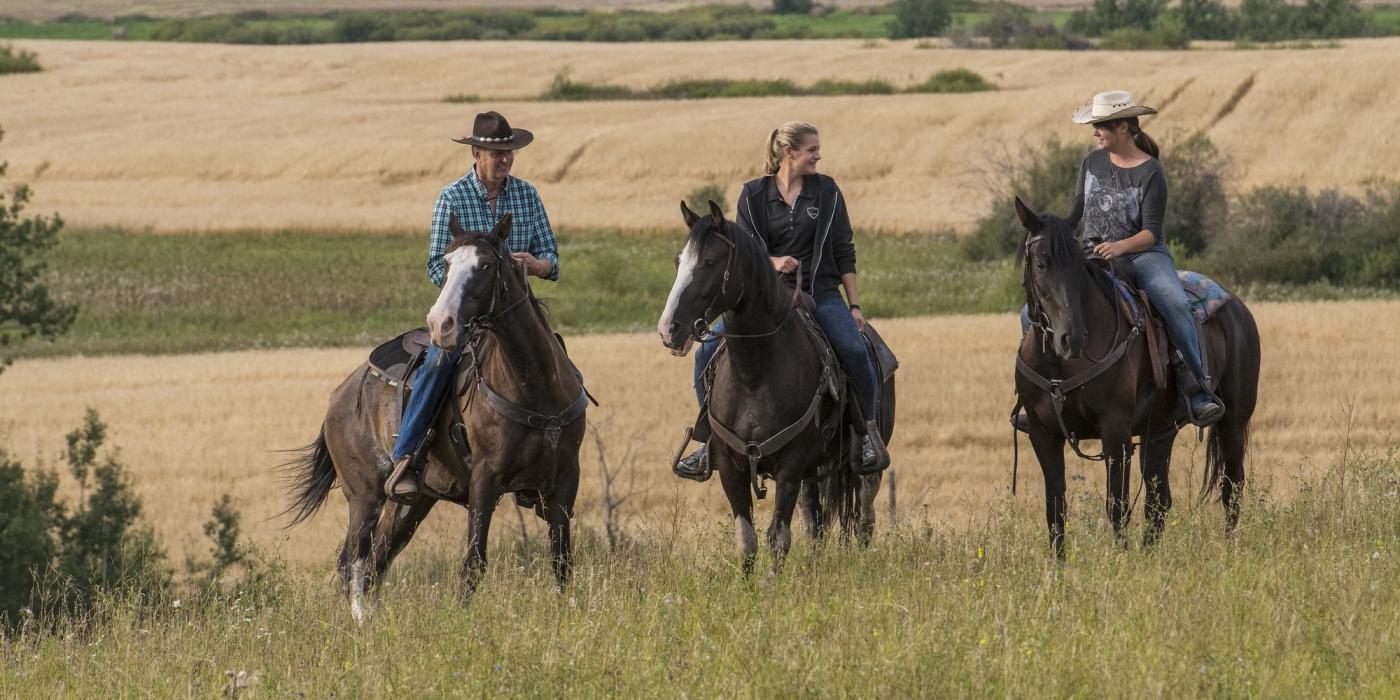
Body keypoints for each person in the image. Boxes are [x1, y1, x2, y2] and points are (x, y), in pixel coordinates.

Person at [673, 121, 890, 481]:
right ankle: (709, 441)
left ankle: (867, 433)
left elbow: (844, 250)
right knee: (704, 354)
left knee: (855, 350)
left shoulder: (827, 192)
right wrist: (773, 261)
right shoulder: (752, 195)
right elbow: (744, 252)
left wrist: (854, 306)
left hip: (820, 293)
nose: (818, 156)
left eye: (818, 149)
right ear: (789, 153)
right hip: (765, 296)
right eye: (812, 150)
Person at [1016, 90, 1223, 430]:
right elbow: (1078, 211)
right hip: (1091, 253)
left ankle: (1196, 387)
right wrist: (1058, 236)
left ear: (1123, 128)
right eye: (1094, 125)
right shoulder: (1091, 163)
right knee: (1029, 312)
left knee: (1173, 302)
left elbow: (1151, 232)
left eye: (1101, 126)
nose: (1094, 132)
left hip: (1143, 255)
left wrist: (1119, 247)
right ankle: (1042, 394)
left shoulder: (1151, 172)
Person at [385, 111, 560, 503]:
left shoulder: (527, 195)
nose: (505, 159)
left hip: (518, 315)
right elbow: (436, 265)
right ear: (476, 154)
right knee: (439, 363)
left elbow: (552, 257)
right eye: (497, 153)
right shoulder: (452, 198)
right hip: (468, 315)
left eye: (509, 152)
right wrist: (469, 280)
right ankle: (406, 456)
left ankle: (547, 465)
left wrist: (536, 265)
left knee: (560, 363)